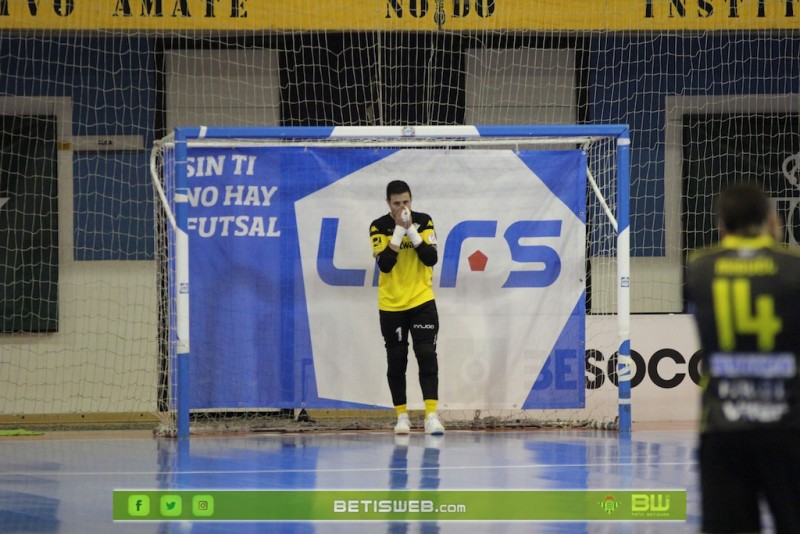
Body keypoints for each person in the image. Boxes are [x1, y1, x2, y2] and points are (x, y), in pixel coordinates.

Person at [685, 184, 800, 534]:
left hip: (723, 427)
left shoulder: (699, 268)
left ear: (722, 225)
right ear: (772, 222)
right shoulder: (793, 268)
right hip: (788, 425)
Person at [370, 180, 444, 435]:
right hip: (391, 305)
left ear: (411, 201)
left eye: (406, 202)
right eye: (397, 203)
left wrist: (411, 229)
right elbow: (386, 265)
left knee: (426, 355)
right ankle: (402, 416)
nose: (402, 207)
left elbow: (431, 258)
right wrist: (399, 232)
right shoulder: (378, 226)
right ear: (388, 204)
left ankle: (431, 415)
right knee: (397, 360)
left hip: (421, 300)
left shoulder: (424, 221)